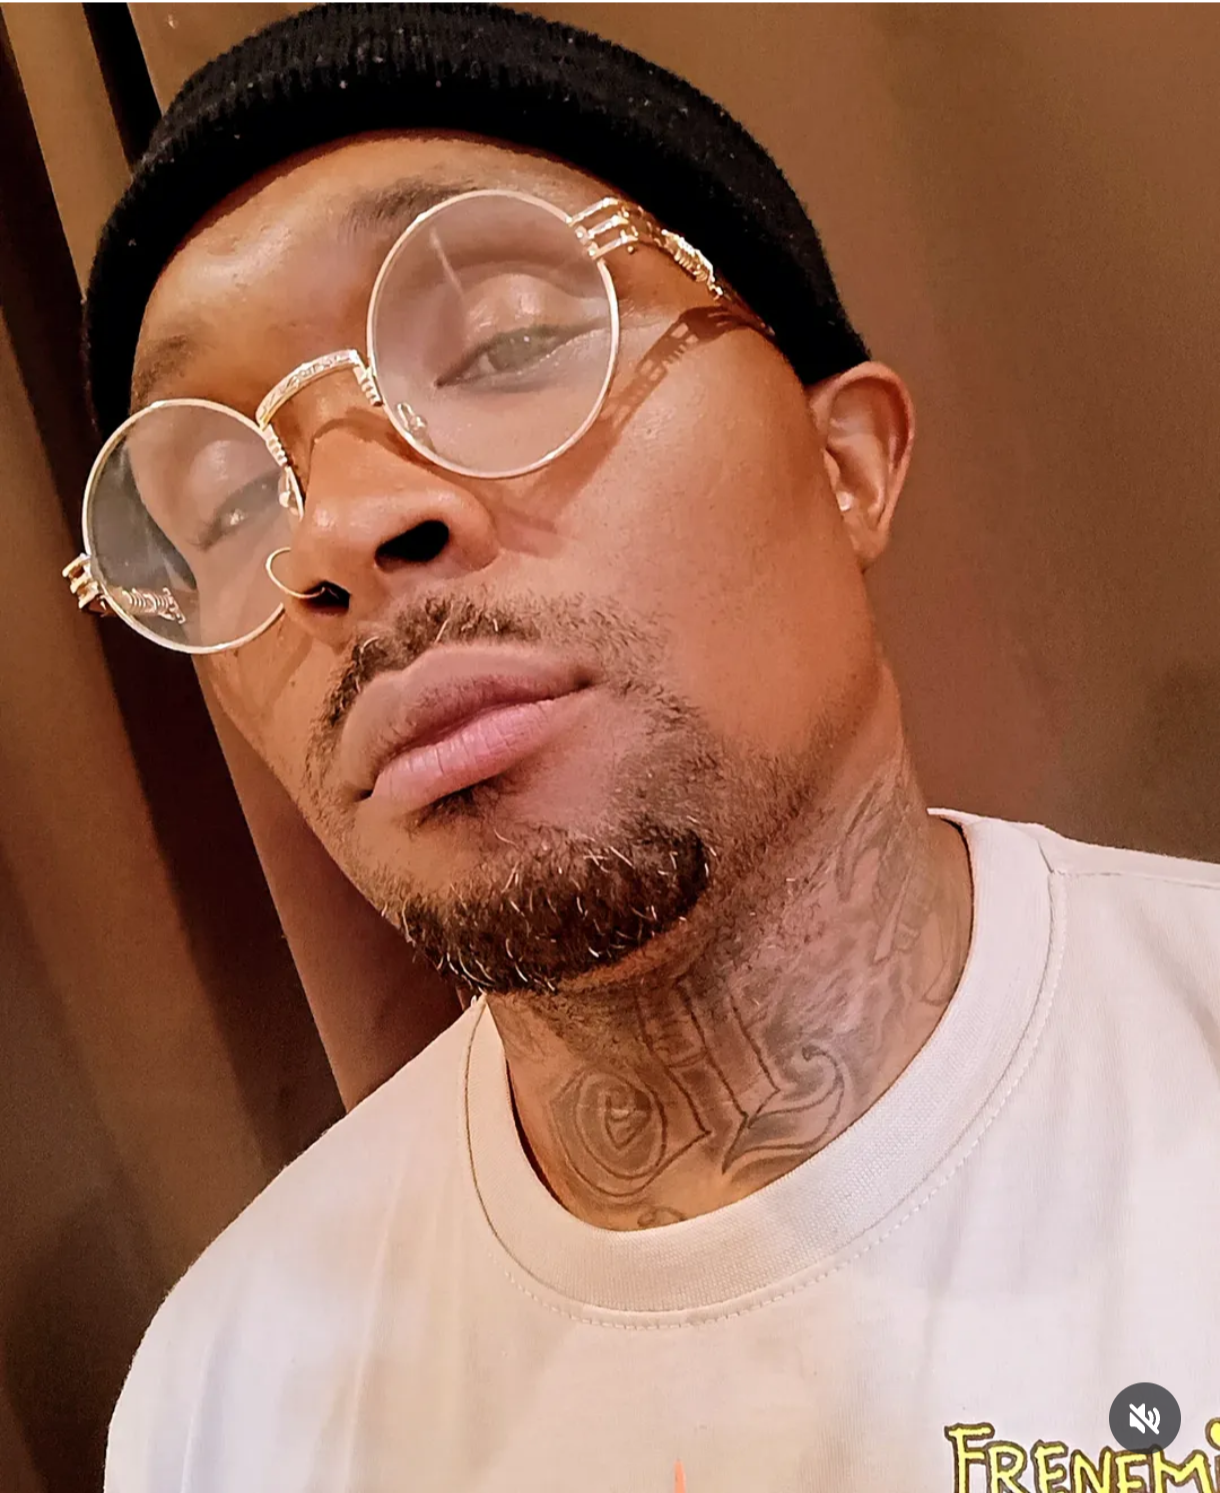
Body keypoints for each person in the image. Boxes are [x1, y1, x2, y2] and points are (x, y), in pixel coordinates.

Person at [68, 5, 1220, 1490]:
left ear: (847, 464)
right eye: (226, 504)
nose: (333, 534)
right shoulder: (223, 1407)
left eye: (506, 343)